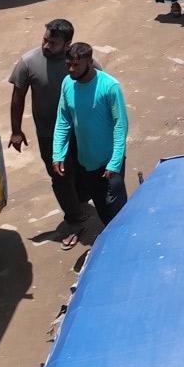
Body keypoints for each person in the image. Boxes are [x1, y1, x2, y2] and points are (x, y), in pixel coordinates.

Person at [8, 19, 93, 249]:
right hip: (50, 134)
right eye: (45, 39)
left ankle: (81, 201)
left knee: (84, 168)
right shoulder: (28, 63)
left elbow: (98, 87)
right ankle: (74, 219)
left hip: (81, 129)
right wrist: (16, 131)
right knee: (60, 176)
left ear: (67, 45)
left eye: (53, 43)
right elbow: (18, 98)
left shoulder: (80, 60)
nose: (46, 45)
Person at [51, 42, 129, 232]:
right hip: (87, 162)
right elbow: (63, 120)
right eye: (68, 64)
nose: (71, 69)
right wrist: (58, 154)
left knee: (117, 211)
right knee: (103, 211)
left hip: (110, 162)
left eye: (76, 65)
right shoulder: (67, 83)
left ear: (89, 61)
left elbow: (121, 126)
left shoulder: (110, 86)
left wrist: (115, 162)